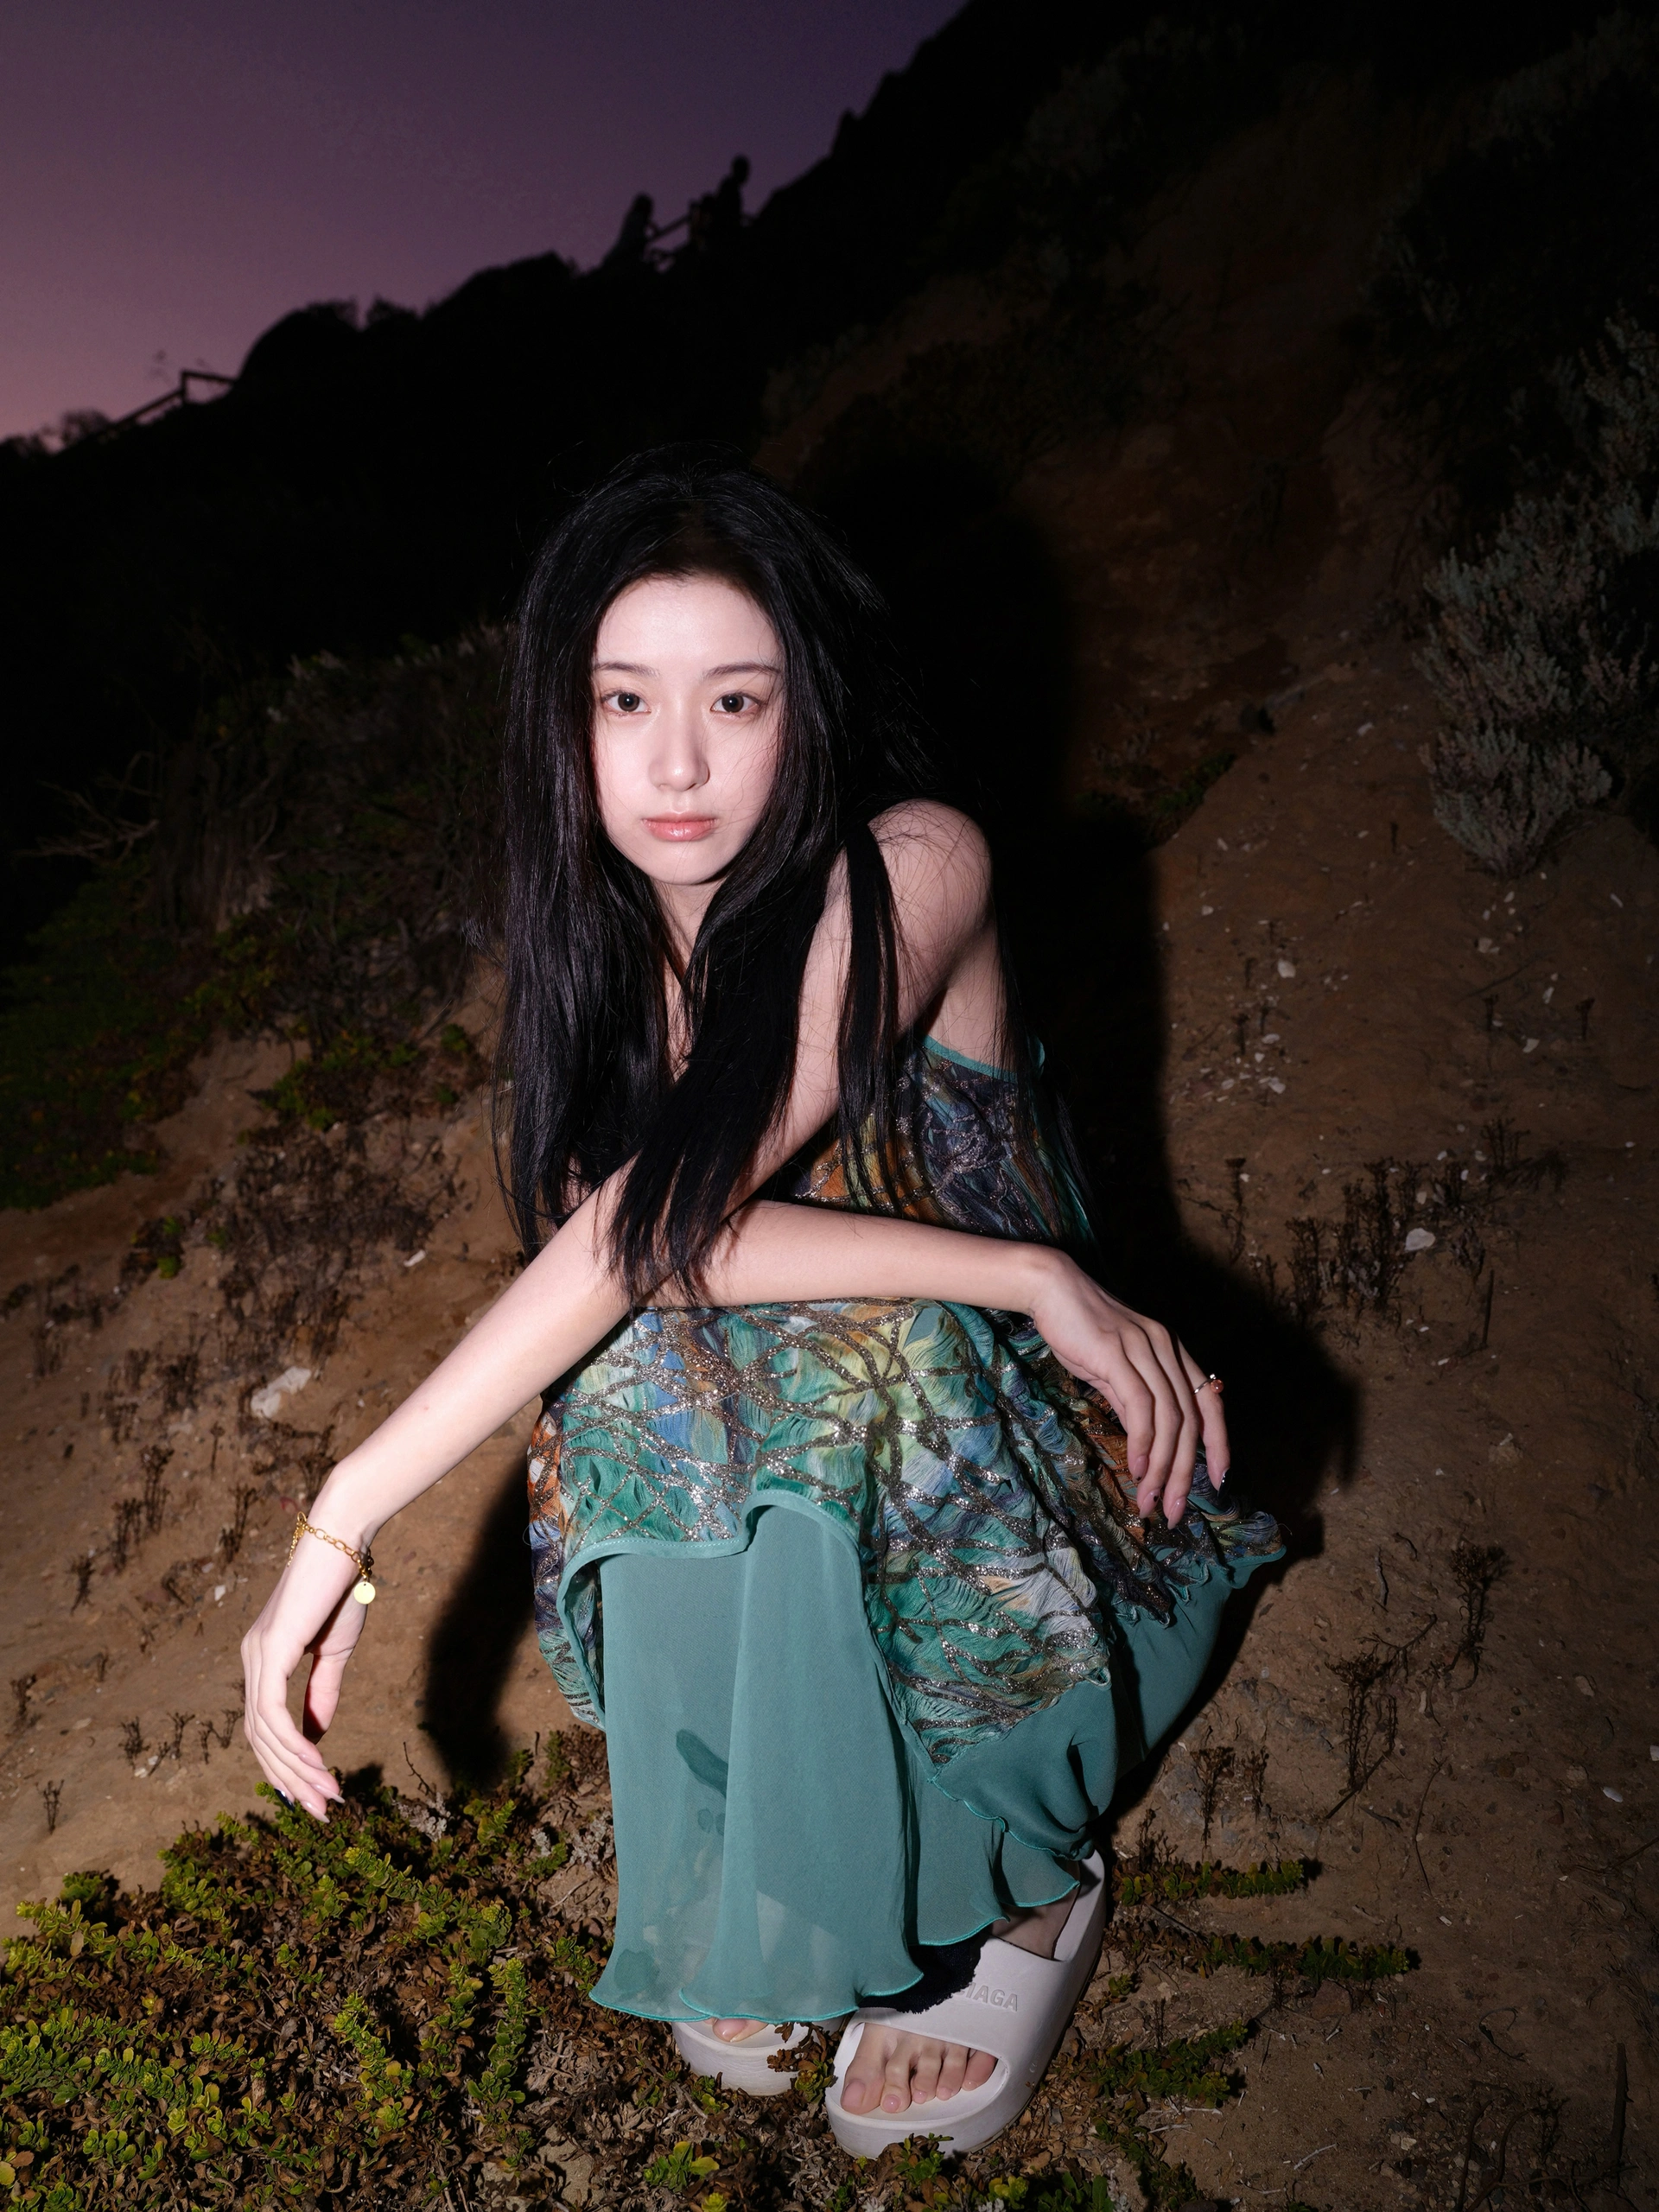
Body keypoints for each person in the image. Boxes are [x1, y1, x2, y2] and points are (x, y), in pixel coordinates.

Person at [240, 447, 1282, 2153]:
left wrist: (344, 1510)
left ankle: (1019, 1861)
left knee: (862, 1346)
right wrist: (1021, 1264)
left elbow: (663, 1215)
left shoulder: (914, 859)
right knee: (643, 1351)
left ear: (810, 701)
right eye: (623, 699)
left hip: (1043, 1538)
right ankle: (788, 1827)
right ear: (563, 722)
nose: (675, 762)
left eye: (735, 699)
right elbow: (663, 1245)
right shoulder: (603, 959)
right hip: (852, 1477)